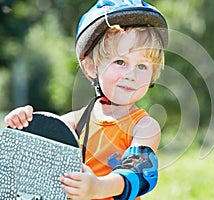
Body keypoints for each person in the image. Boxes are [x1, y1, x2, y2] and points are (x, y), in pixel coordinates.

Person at [4, 0, 168, 200]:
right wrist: (22, 122)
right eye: (120, 62)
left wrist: (99, 187)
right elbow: (42, 138)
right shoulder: (76, 121)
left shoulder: (144, 127)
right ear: (91, 67)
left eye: (142, 66)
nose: (131, 74)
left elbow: (141, 173)